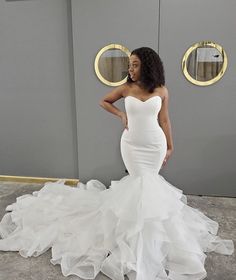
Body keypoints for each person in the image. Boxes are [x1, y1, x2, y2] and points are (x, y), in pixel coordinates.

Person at [0, 47, 234, 280]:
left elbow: (164, 119)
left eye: (134, 64)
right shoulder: (126, 88)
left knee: (149, 187)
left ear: (148, 65)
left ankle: (148, 240)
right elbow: (104, 101)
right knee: (139, 185)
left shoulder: (162, 90)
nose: (130, 68)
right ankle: (130, 238)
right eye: (129, 64)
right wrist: (121, 115)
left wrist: (170, 146)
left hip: (154, 145)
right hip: (131, 145)